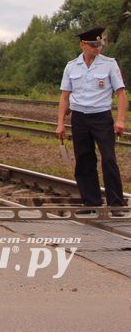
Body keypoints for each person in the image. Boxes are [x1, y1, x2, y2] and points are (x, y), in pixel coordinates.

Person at [56, 26, 127, 212]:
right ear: (82, 45)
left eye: (99, 45)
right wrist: (60, 123)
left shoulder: (109, 64)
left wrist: (120, 120)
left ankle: (116, 203)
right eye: (93, 45)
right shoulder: (71, 66)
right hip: (79, 118)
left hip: (101, 117)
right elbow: (64, 97)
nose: (97, 48)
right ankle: (91, 202)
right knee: (84, 160)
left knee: (109, 159)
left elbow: (121, 93)